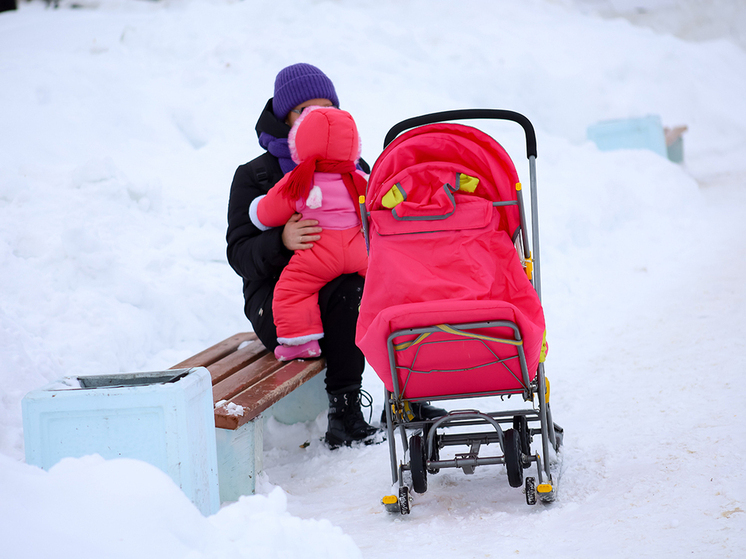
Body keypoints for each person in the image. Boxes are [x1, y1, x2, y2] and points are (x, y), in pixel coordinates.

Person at [226, 63, 444, 448]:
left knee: (393, 285)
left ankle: (407, 396)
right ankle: (344, 415)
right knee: (351, 292)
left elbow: (381, 226)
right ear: (283, 116)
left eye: (325, 108)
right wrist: (282, 240)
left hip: (345, 285)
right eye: (303, 110)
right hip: (282, 306)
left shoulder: (352, 169)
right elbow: (239, 255)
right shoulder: (255, 176)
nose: (316, 117)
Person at [248, 106, 368, 362]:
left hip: (319, 256)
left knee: (293, 290)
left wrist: (255, 211)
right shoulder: (360, 177)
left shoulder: (300, 180)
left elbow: (268, 212)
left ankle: (301, 342)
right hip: (358, 253)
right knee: (380, 278)